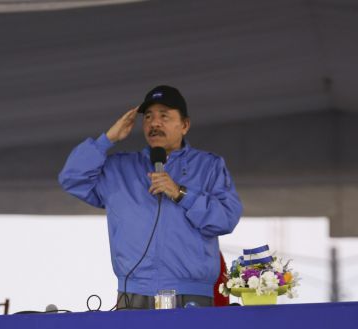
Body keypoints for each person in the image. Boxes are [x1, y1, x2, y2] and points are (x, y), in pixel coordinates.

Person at [59, 86, 243, 309]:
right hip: (133, 294)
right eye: (148, 117)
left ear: (184, 125)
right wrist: (107, 139)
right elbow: (71, 178)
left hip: (191, 295)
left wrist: (181, 194)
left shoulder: (209, 166)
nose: (154, 123)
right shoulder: (120, 168)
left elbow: (226, 219)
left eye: (164, 116)